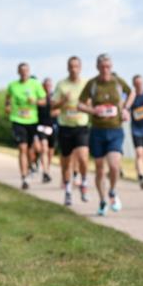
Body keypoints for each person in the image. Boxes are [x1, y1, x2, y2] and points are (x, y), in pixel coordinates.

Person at [78, 54, 134, 216]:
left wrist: (126, 109)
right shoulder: (93, 84)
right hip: (97, 130)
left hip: (115, 130)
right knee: (100, 168)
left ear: (112, 66)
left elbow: (131, 93)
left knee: (115, 165)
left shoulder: (117, 82)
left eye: (108, 66)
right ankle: (102, 201)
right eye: (102, 66)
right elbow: (80, 104)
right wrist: (92, 110)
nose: (105, 69)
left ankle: (113, 191)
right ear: (97, 67)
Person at [54, 56, 91, 206]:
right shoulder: (61, 85)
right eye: (71, 66)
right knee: (66, 161)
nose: (73, 69)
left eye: (76, 66)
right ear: (67, 68)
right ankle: (68, 189)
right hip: (65, 126)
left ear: (80, 67)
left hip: (81, 125)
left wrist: (88, 105)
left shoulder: (86, 84)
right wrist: (63, 100)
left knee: (83, 157)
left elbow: (91, 104)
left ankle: (83, 182)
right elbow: (53, 106)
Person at [5, 63, 46, 190]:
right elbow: (7, 98)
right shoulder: (13, 85)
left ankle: (33, 164)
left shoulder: (35, 84)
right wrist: (7, 106)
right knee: (22, 148)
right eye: (21, 71)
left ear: (29, 71)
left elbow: (44, 101)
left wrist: (35, 101)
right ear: (18, 72)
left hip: (33, 121)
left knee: (34, 149)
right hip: (18, 120)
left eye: (26, 71)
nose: (24, 73)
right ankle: (24, 177)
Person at [36, 77, 56, 183]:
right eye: (46, 85)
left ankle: (47, 169)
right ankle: (45, 172)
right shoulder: (39, 97)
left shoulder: (54, 98)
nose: (48, 87)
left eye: (49, 85)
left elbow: (58, 111)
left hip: (52, 126)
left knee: (50, 151)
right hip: (40, 126)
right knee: (44, 148)